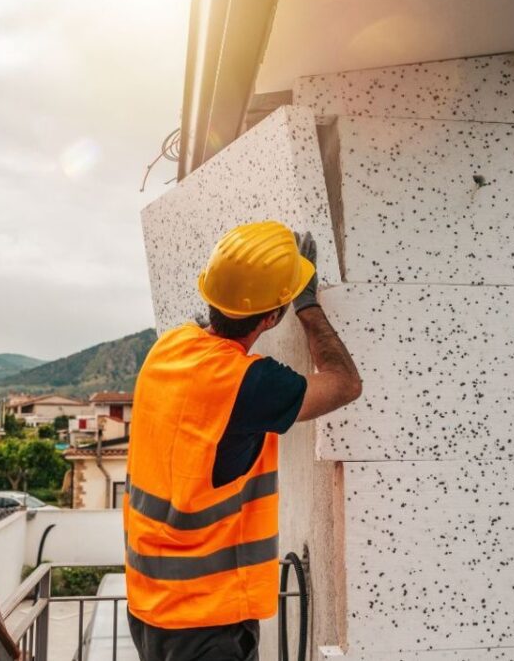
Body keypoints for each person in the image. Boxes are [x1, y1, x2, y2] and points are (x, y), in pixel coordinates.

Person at [124, 220, 362, 661]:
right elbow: (344, 384)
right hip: (204, 622)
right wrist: (307, 304)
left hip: (150, 605)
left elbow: (214, 324)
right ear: (272, 317)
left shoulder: (170, 348)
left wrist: (265, 275)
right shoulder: (248, 384)